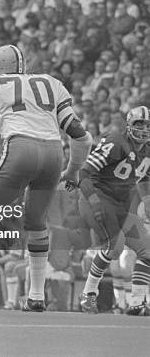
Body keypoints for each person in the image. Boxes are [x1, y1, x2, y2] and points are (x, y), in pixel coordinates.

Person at [0, 44, 93, 311]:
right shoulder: (50, 83)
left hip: (19, 149)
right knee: (37, 223)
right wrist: (73, 169)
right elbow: (81, 137)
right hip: (54, 154)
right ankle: (36, 295)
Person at [77, 105, 150, 316]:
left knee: (147, 250)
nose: (144, 129)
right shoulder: (117, 141)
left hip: (120, 205)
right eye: (139, 123)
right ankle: (89, 294)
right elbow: (84, 173)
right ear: (129, 125)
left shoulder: (147, 150)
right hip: (97, 198)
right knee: (115, 246)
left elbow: (144, 178)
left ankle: (136, 302)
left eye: (147, 125)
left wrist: (146, 199)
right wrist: (94, 201)